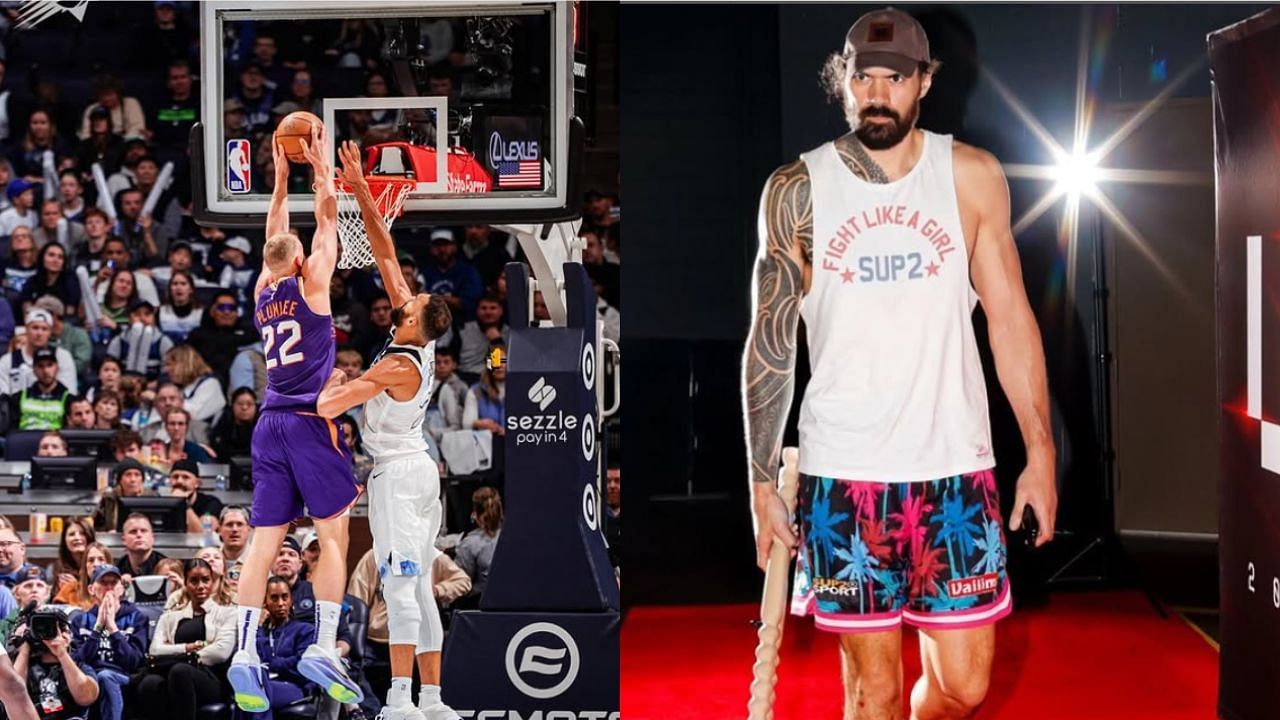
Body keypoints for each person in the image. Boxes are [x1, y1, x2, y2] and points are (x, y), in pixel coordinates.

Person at [742, 10, 1057, 719]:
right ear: (843, 81)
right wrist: (761, 478)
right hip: (846, 476)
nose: (877, 92)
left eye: (894, 77)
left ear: (924, 83)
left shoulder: (971, 176)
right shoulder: (797, 189)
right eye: (863, 76)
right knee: (872, 690)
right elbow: (769, 340)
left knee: (965, 686)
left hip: (955, 469)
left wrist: (1040, 453)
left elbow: (1010, 321)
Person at [318, 140, 458, 720]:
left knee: (402, 587)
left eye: (410, 300)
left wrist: (325, 381)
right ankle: (433, 700)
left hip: (399, 478)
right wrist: (360, 192)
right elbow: (387, 256)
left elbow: (332, 406)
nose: (404, 292)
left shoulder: (396, 363)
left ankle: (400, 701)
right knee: (420, 588)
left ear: (407, 320)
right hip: (419, 471)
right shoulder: (413, 337)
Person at [229, 125, 363, 711]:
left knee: (263, 542)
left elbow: (274, 233)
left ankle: (241, 652)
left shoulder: (262, 289)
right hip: (310, 419)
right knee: (333, 533)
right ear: (303, 260)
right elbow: (329, 219)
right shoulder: (313, 286)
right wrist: (319, 171)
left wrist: (279, 178)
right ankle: (324, 645)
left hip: (267, 424)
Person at [137, 558, 237, 720]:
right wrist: (187, 649)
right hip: (173, 674)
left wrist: (178, 657)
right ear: (185, 582)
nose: (200, 586)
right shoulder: (170, 617)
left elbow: (220, 652)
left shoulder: (227, 614)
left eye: (205, 580)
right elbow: (155, 650)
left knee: (181, 671)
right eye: (194, 581)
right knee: (150, 683)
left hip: (211, 678)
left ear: (212, 582)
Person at [70, 564, 149, 720]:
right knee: (94, 676)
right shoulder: (80, 620)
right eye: (103, 583)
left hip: (123, 677)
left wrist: (113, 628)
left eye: (113, 583)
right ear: (92, 589)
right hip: (90, 678)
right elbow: (77, 661)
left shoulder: (137, 618)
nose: (109, 587)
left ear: (121, 588)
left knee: (106, 676)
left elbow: (133, 662)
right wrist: (98, 628)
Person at [9, 606, 98, 720]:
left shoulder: (80, 667)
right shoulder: (23, 666)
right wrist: (23, 651)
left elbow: (86, 698)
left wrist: (62, 653)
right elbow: (11, 697)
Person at [252, 575, 319, 719]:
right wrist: (259, 628)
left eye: (285, 597)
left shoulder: (305, 630)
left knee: (256, 692)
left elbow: (301, 665)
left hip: (294, 686)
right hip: (265, 682)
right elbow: (255, 659)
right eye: (274, 598)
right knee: (249, 690)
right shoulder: (259, 632)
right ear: (265, 602)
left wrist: (273, 664)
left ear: (291, 600)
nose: (281, 603)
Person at [454, 487, 502, 607]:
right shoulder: (516, 535)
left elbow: (462, 583)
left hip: (481, 606)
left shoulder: (470, 543)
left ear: (475, 514)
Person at [7, 347, 72, 431]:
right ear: (34, 370)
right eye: (40, 366)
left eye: (50, 365)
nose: (45, 371)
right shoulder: (18, 398)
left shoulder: (69, 399)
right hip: (25, 442)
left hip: (54, 442)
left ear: (57, 368)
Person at [162, 345, 225, 429]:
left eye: (169, 365)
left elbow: (193, 414)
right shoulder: (180, 386)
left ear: (183, 364)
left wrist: (162, 400)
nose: (166, 370)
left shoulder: (210, 384)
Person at [92, 458, 156, 532]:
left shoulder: (152, 497)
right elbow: (96, 526)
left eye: (137, 475)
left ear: (142, 479)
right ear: (120, 480)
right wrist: (107, 532)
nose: (133, 479)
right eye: (128, 475)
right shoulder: (109, 499)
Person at [167, 459, 224, 534]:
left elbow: (203, 534)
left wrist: (183, 503)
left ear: (197, 483)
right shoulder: (162, 503)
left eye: (185, 477)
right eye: (175, 477)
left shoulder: (211, 503)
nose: (179, 481)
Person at [53, 542, 112, 608]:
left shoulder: (118, 591)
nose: (96, 564)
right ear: (85, 566)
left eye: (101, 559)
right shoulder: (70, 590)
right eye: (91, 560)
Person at [51, 517, 94, 599]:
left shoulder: (98, 564)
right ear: (64, 540)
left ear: (89, 537)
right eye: (71, 534)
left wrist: (75, 587)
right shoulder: (58, 567)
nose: (77, 538)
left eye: (82, 533)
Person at [212, 387, 257, 459]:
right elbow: (217, 447)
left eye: (249, 404)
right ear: (232, 405)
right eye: (240, 404)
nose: (244, 407)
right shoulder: (223, 424)